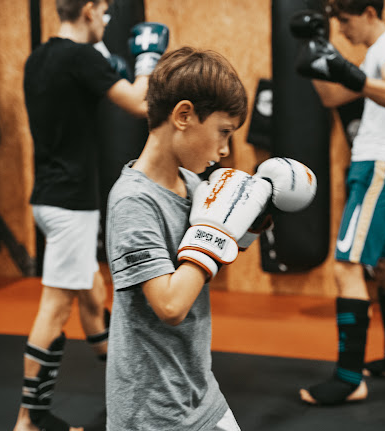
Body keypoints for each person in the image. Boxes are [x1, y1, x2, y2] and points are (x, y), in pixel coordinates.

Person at [103, 46, 317, 431]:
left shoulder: (190, 183)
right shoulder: (133, 201)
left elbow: (205, 257)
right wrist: (215, 231)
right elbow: (170, 305)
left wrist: (250, 223)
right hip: (153, 412)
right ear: (183, 115)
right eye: (223, 131)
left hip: (198, 390)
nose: (225, 149)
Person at [13, 0, 169, 430]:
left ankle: (128, 386)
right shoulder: (81, 57)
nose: (107, 19)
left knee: (93, 294)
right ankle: (29, 419)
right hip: (70, 202)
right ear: (86, 10)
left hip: (48, 195)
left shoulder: (39, 57)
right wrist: (148, 58)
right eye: (103, 11)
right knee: (55, 307)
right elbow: (139, 103)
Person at [290, 0, 385, 405]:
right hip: (384, 166)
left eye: (345, 21)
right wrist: (314, 57)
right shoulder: (376, 54)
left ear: (368, 12)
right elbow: (333, 98)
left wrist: (348, 70)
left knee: (346, 266)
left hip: (378, 167)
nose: (343, 30)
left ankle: (349, 378)